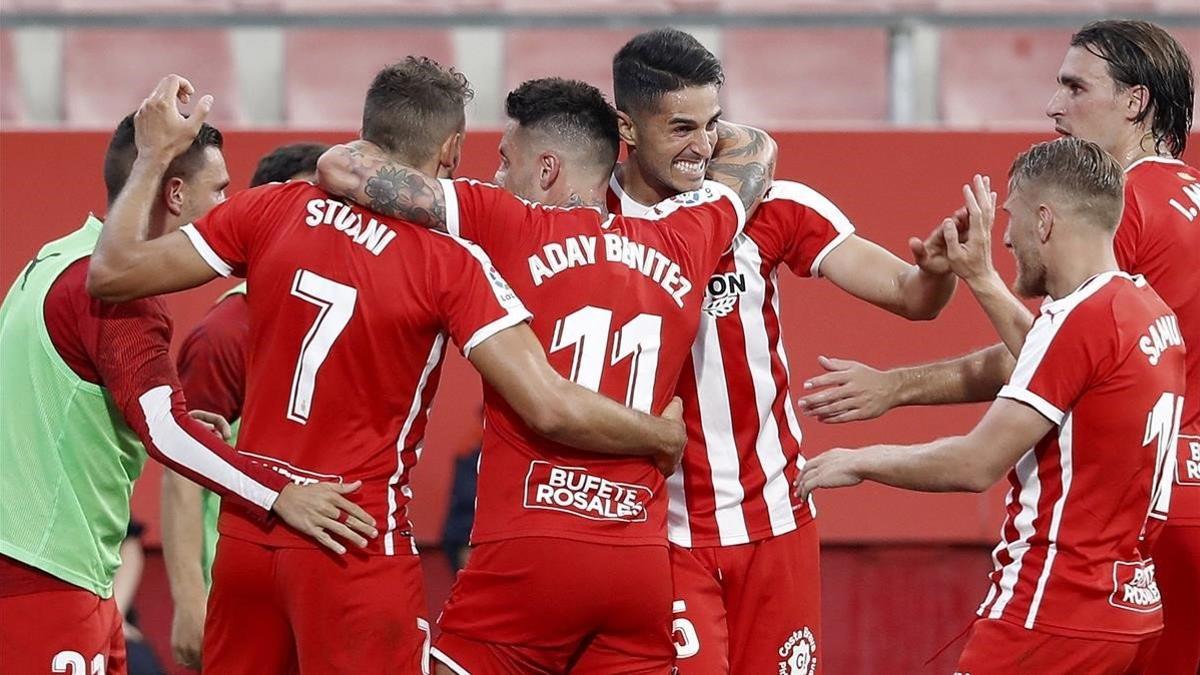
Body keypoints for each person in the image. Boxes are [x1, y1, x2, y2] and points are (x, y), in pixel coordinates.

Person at [87, 66, 688, 675]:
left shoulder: (271, 209)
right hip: (354, 536)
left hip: (252, 535)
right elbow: (550, 404)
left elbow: (112, 272)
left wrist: (155, 152)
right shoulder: (453, 262)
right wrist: (659, 434)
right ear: (452, 149)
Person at [316, 72, 772, 673]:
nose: (497, 175)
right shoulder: (687, 237)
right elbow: (756, 150)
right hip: (639, 565)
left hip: (531, 553)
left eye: (506, 161)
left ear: (548, 170)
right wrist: (673, 136)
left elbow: (340, 169)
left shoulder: (505, 221)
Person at [799, 20, 1199, 673]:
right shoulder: (1185, 196)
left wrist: (895, 389)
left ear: (1136, 101)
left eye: (1075, 86)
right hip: (1158, 527)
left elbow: (1052, 355)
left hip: (1111, 533)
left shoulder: (1121, 208)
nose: (1053, 106)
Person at [603, 27, 959, 673]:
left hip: (777, 519)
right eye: (680, 127)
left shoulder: (773, 206)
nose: (702, 147)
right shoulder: (585, 218)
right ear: (626, 126)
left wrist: (937, 270)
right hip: (660, 530)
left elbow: (911, 298)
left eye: (712, 124)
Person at [0, 114, 371, 675]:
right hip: (47, 572)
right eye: (219, 189)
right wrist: (280, 495)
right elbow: (165, 432)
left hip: (55, 566)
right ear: (174, 193)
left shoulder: (56, 259)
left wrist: (169, 421)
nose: (229, 206)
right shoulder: (120, 295)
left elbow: (62, 401)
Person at [161, 141, 329, 670]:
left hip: (316, 581)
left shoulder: (331, 318)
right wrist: (190, 601)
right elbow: (182, 472)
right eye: (311, 207)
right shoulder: (226, 334)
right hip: (241, 592)